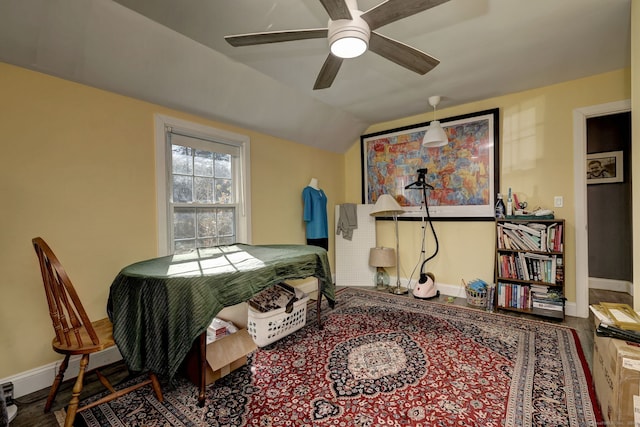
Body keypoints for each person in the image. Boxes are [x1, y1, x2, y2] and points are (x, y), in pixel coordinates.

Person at [303, 178, 328, 250]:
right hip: (314, 229)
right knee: (315, 253)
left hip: (324, 228)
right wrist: (307, 218)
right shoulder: (308, 191)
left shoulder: (322, 192)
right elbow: (307, 208)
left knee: (323, 253)